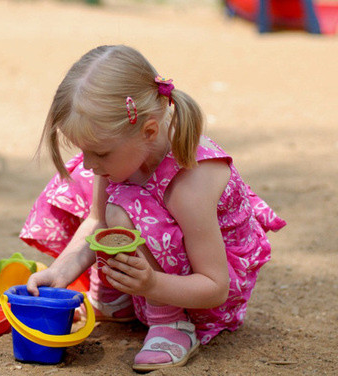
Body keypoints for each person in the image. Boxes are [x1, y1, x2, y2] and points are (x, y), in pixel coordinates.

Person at [21, 45, 286, 371]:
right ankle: (116, 298)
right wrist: (59, 273)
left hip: (200, 297)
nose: (91, 163)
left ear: (148, 130)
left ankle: (171, 325)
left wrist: (152, 286)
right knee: (97, 191)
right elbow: (95, 220)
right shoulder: (127, 150)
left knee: (125, 208)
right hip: (154, 278)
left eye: (100, 153)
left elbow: (217, 287)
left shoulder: (191, 182)